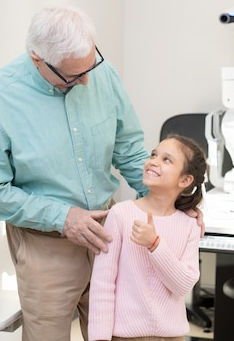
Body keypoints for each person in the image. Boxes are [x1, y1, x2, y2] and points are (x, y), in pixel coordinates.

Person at [0, 6, 153, 341]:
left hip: (109, 231)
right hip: (45, 245)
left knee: (124, 334)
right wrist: (62, 216)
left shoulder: (101, 74)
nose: (85, 81)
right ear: (37, 59)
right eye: (72, 75)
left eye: (89, 66)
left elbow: (130, 151)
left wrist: (170, 202)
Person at [88, 134, 207, 341]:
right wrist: (100, 338)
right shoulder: (120, 214)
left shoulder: (189, 224)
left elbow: (184, 285)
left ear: (185, 180)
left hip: (173, 337)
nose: (153, 161)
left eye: (166, 159)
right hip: (125, 337)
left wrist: (155, 245)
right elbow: (103, 284)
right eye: (153, 154)